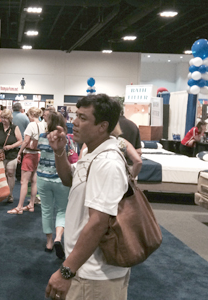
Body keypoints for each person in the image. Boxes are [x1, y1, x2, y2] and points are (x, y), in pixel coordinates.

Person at [45, 94, 130, 300]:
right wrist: (59, 152)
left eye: (82, 118)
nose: (74, 122)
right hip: (85, 269)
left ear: (102, 126)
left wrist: (66, 271)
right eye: (76, 115)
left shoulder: (107, 162)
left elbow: (98, 223)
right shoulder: (93, 154)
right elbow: (68, 179)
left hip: (94, 276)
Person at [37, 112, 72, 259]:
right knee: (62, 210)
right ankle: (58, 238)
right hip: (60, 179)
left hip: (43, 177)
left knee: (46, 209)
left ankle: (49, 242)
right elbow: (69, 155)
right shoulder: (66, 139)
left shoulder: (42, 137)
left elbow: (38, 149)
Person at [8, 107, 45, 214]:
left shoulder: (31, 125)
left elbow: (25, 141)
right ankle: (31, 204)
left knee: (24, 182)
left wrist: (19, 153)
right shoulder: (44, 124)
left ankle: (19, 207)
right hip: (39, 154)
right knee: (34, 181)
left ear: (31, 115)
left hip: (30, 155)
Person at [0, 109, 23, 203]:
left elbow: (20, 141)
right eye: (2, 118)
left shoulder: (14, 127)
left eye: (5, 118)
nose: (3, 120)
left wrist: (11, 146)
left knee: (10, 173)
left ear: (9, 118)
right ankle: (1, 193)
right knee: (0, 175)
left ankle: (10, 194)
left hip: (11, 154)